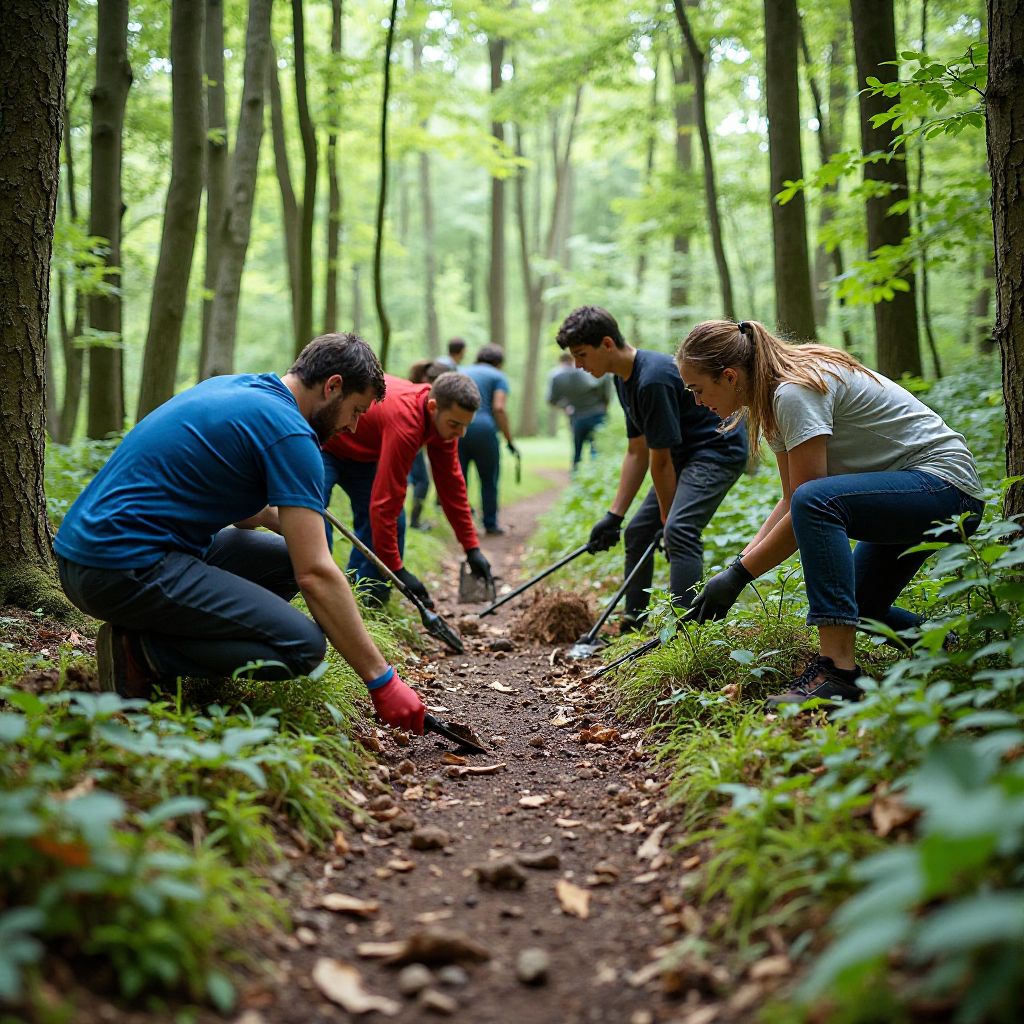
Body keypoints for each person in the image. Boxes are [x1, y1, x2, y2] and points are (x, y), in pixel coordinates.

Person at [54, 333, 426, 732]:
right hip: (118, 567)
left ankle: (155, 634)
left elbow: (247, 515)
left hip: (90, 554)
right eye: (355, 411)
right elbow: (316, 575)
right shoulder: (292, 434)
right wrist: (382, 681)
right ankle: (142, 655)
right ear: (333, 386)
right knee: (301, 646)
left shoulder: (241, 388)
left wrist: (295, 521)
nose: (353, 427)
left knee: (284, 559)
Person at [677, 319, 986, 707]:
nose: (696, 400)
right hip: (910, 491)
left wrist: (740, 576)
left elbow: (810, 501)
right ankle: (952, 647)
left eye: (697, 389)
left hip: (945, 488)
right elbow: (793, 501)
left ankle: (838, 672)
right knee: (859, 605)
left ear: (729, 376)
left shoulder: (793, 392)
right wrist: (734, 568)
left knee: (818, 501)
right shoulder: (772, 400)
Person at [556, 306, 748, 629]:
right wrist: (613, 516)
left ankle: (687, 635)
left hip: (717, 450)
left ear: (606, 344)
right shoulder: (623, 379)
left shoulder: (651, 380)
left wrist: (667, 516)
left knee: (680, 530)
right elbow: (637, 451)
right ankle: (632, 625)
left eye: (581, 355)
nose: (577, 365)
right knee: (636, 531)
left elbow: (660, 461)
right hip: (684, 457)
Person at [321, 371, 493, 606]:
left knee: (393, 524)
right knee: (314, 512)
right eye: (454, 424)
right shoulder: (407, 423)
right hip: (326, 444)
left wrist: (471, 548)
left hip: (365, 456)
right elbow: (386, 502)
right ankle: (319, 594)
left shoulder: (443, 429)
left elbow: (452, 487)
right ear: (433, 408)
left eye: (465, 426)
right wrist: (398, 571)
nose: (460, 434)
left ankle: (368, 602)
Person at [459, 344, 518, 536]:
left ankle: (463, 526)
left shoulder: (461, 371)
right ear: (499, 363)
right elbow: (499, 408)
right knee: (488, 478)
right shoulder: (498, 376)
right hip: (485, 430)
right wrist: (509, 439)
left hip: (458, 426)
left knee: (459, 478)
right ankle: (490, 524)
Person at [547, 351, 612, 468]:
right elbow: (606, 393)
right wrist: (605, 407)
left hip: (577, 416)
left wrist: (566, 406)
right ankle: (596, 473)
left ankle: (576, 478)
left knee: (577, 450)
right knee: (596, 449)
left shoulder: (557, 376)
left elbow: (552, 400)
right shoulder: (593, 371)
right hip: (597, 413)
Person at [406, 359, 435, 530]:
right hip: (411, 442)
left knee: (417, 480)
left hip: (415, 445)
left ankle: (414, 521)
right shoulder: (419, 393)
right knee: (422, 481)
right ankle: (415, 522)